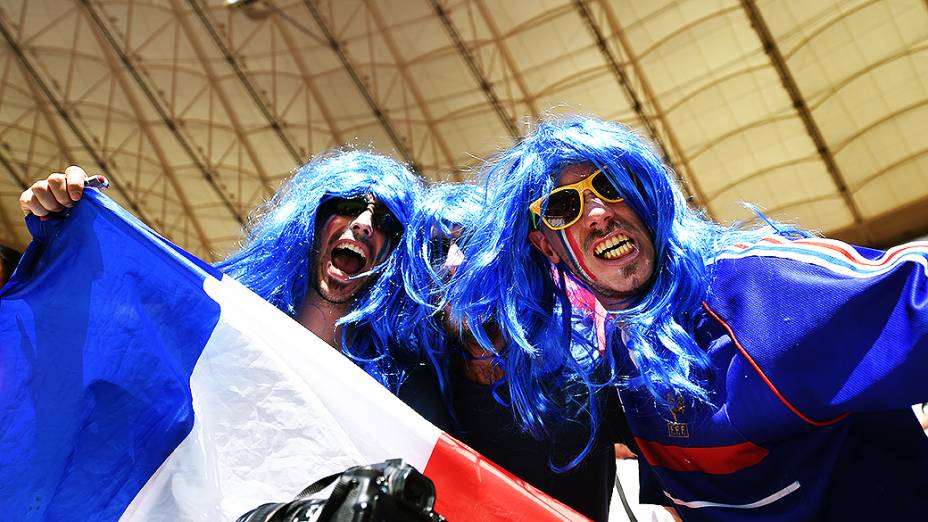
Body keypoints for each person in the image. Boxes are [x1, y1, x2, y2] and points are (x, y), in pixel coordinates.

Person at [450, 116, 928, 521]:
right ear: (546, 245)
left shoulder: (761, 290)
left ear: (647, 193)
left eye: (610, 186)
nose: (596, 213)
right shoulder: (617, 356)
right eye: (562, 208)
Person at [18, 154, 451, 430]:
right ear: (311, 222)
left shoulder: (403, 398)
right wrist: (69, 228)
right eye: (346, 205)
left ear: (397, 256)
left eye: (386, 222)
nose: (362, 224)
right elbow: (102, 338)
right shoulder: (213, 317)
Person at [401, 182, 625, 521]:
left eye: (472, 243)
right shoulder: (417, 395)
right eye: (436, 250)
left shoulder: (589, 377)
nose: (452, 263)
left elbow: (685, 487)